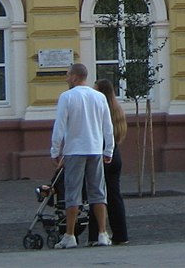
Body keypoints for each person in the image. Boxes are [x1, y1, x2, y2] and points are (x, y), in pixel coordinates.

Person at [50, 62, 114, 249]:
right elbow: (107, 126)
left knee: (73, 194)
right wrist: (108, 149)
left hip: (74, 150)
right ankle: (103, 233)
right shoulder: (99, 97)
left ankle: (70, 235)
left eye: (68, 75)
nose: (66, 78)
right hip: (95, 148)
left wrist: (55, 150)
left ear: (75, 77)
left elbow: (59, 126)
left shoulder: (67, 97)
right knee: (98, 193)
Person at [94, 78, 129, 244]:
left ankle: (96, 234)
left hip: (102, 153)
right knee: (115, 196)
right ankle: (121, 235)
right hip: (115, 154)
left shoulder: (101, 109)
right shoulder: (117, 108)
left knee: (96, 195)